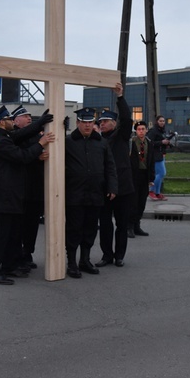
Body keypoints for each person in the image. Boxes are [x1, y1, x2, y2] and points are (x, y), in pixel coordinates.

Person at [0, 106, 55, 285]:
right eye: (9, 120)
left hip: (10, 197)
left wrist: (40, 122)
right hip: (3, 198)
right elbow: (22, 156)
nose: (12, 122)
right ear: (2, 123)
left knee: (12, 234)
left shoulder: (6, 137)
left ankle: (8, 266)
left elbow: (21, 135)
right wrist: (41, 144)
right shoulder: (1, 142)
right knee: (2, 236)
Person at [65, 107, 117, 278]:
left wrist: (112, 187)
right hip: (75, 193)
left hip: (95, 193)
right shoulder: (68, 142)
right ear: (78, 123)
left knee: (90, 229)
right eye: (84, 122)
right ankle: (71, 262)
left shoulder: (101, 143)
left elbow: (110, 166)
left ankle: (85, 260)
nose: (87, 126)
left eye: (90, 122)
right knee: (74, 229)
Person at [97, 82, 135, 268]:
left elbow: (127, 119)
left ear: (113, 123)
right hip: (104, 188)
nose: (101, 124)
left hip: (123, 187)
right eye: (100, 122)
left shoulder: (121, 136)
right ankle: (107, 255)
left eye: (104, 122)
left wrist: (120, 97)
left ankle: (119, 255)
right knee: (105, 224)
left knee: (121, 223)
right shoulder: (98, 140)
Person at [9, 105, 49, 268]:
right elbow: (24, 156)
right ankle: (17, 256)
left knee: (32, 225)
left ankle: (27, 253)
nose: (29, 118)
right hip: (21, 189)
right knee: (19, 225)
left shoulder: (33, 135)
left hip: (36, 188)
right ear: (16, 121)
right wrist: (36, 156)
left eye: (29, 116)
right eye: (25, 116)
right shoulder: (14, 136)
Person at [129, 120, 154, 237]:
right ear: (136, 131)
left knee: (141, 202)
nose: (141, 131)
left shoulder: (149, 143)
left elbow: (151, 161)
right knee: (132, 202)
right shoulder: (132, 143)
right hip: (134, 175)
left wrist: (151, 178)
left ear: (146, 130)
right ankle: (129, 227)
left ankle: (137, 226)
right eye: (139, 129)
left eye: (143, 129)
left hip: (144, 175)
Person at [147, 115, 172, 201]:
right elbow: (149, 142)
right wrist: (161, 142)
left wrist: (167, 143)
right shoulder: (153, 131)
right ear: (157, 122)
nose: (162, 122)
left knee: (159, 175)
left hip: (161, 154)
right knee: (162, 173)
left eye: (163, 121)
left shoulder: (162, 131)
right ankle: (151, 191)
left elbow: (161, 142)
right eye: (160, 121)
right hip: (155, 155)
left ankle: (157, 193)